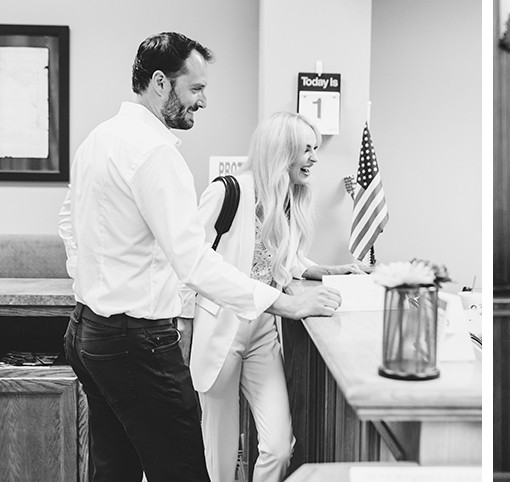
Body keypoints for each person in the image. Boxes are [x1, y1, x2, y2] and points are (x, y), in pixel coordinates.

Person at [57, 32, 341, 481]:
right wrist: (285, 303)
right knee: (186, 470)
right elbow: (194, 261)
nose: (203, 101)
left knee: (114, 469)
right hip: (137, 342)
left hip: (87, 331)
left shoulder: (98, 139)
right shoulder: (155, 152)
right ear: (160, 83)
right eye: (196, 88)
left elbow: (67, 221)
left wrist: (92, 285)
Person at [181, 112, 366, 482]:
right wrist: (184, 328)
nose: (314, 158)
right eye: (307, 149)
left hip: (263, 330)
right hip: (220, 330)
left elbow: (284, 260)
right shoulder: (227, 192)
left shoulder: (289, 199)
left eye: (315, 148)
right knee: (220, 459)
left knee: (279, 447)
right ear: (282, 151)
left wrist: (328, 271)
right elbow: (189, 264)